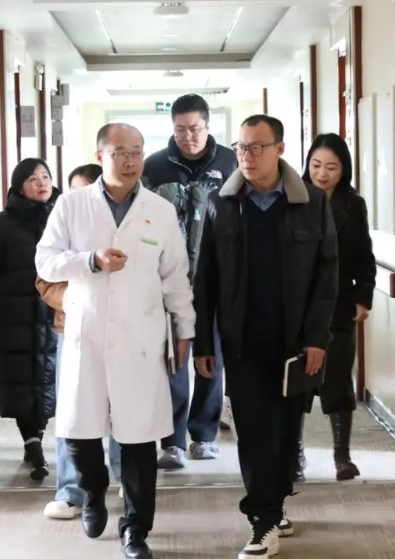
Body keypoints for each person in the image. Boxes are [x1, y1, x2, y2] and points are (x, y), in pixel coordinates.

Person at [35, 123, 195, 559]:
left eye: (137, 152)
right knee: (79, 434)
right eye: (120, 152)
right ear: (100, 156)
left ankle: (136, 529)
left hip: (140, 340)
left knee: (139, 437)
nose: (130, 161)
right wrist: (91, 260)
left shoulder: (159, 210)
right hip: (86, 334)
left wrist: (185, 329)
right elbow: (45, 261)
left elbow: (175, 276)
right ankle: (92, 491)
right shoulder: (71, 205)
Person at [192, 115, 338, 558]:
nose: (247, 156)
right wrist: (203, 343)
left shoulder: (311, 202)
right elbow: (205, 279)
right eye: (241, 147)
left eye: (257, 147)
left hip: (295, 344)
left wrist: (317, 338)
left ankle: (274, 504)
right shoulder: (220, 203)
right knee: (254, 431)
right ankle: (263, 520)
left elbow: (327, 277)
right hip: (242, 342)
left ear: (279, 149)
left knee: (286, 432)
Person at [143, 93, 238, 468]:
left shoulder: (230, 162)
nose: (188, 136)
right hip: (169, 280)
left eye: (194, 128)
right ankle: (173, 441)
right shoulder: (155, 166)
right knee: (174, 360)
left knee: (211, 359)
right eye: (180, 129)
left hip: (215, 279)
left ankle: (204, 436)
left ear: (208, 125)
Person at [35, 163, 124, 520]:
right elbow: (44, 279)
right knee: (72, 412)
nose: (78, 197)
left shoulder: (123, 224)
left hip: (121, 331)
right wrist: (74, 300)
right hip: (71, 330)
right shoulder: (62, 222)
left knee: (122, 409)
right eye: (73, 190)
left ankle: (124, 478)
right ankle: (70, 491)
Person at [296, 133, 376, 482]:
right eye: (316, 165)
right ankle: (294, 453)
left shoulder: (352, 205)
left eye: (331, 167)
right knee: (296, 384)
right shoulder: (293, 197)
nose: (322, 174)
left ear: (344, 170)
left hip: (339, 303)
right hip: (298, 304)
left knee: (339, 379)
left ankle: (342, 456)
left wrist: (363, 297)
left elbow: (364, 256)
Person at [0, 157, 59, 481]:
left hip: (54, 312)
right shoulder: (2, 223)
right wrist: (9, 294)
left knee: (48, 378)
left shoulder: (62, 217)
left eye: (45, 177)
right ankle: (32, 444)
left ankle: (36, 437)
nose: (41, 183)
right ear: (19, 186)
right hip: (16, 316)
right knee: (21, 378)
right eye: (32, 179)